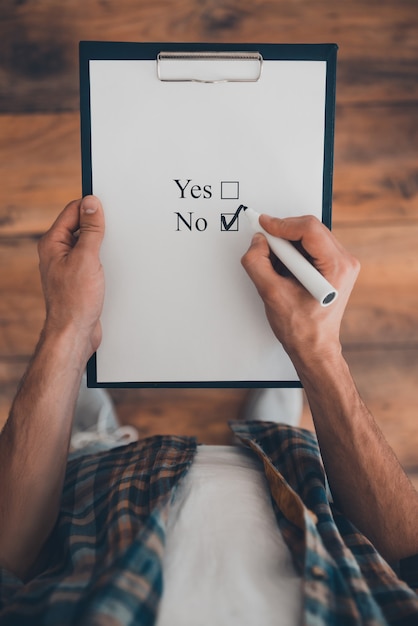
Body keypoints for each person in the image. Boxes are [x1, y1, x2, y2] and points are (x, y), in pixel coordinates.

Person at [0, 195, 418, 626]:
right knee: (287, 448)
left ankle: (95, 443)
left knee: (86, 455)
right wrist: (319, 351)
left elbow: (6, 564)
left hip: (94, 502)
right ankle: (274, 432)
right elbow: (411, 562)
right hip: (297, 485)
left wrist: (68, 331)